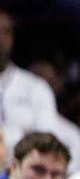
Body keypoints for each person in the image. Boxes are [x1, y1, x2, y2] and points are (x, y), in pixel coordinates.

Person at [0, 11, 60, 154]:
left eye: (6, 32)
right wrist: (23, 136)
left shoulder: (37, 88)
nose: (0, 38)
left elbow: (46, 141)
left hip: (22, 172)